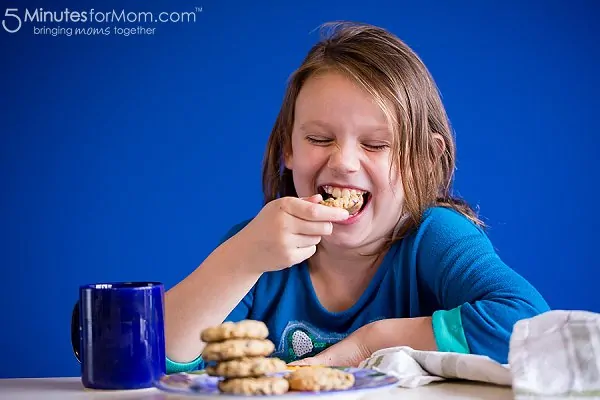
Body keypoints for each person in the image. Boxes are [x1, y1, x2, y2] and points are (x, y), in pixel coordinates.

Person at [163, 21, 550, 373]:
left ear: (425, 161)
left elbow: (529, 328)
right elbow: (158, 356)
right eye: (318, 138)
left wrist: (372, 341)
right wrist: (239, 258)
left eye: (377, 144)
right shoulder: (257, 250)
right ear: (288, 149)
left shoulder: (434, 239)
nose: (345, 162)